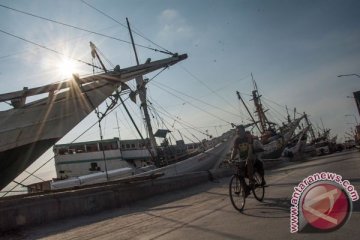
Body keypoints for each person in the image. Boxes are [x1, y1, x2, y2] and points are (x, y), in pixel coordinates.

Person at [230, 125, 266, 197]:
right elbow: (235, 150)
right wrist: (231, 159)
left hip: (252, 156)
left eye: (240, 131)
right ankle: (245, 189)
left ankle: (251, 181)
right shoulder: (237, 140)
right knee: (239, 173)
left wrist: (248, 157)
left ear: (243, 131)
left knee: (249, 161)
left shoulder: (248, 137)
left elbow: (250, 148)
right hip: (242, 159)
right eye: (237, 132)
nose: (238, 133)